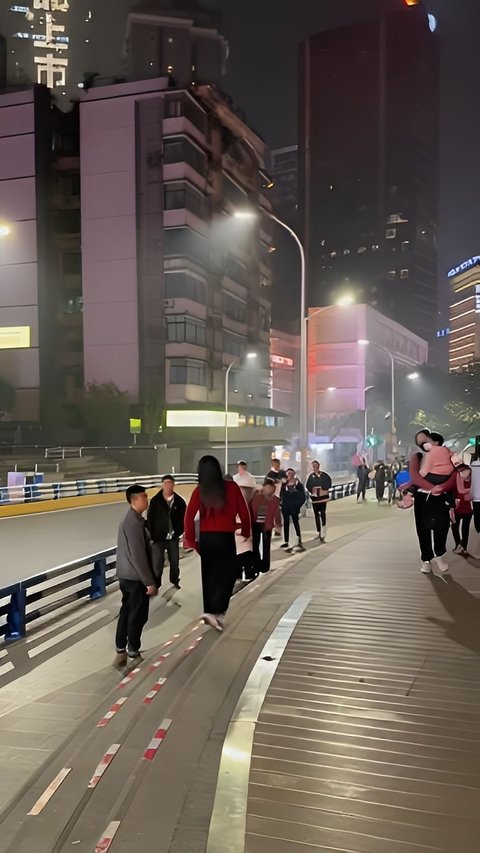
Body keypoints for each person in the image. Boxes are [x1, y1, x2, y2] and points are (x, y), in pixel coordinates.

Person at [184, 455, 251, 631]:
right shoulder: (231, 487)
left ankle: (209, 611)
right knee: (228, 574)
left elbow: (188, 517)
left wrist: (191, 540)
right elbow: (244, 512)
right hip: (225, 537)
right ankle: (219, 611)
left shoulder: (200, 491)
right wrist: (245, 531)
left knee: (209, 575)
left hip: (206, 539)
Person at [114, 484, 158, 669]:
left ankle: (121, 648)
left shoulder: (135, 520)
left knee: (127, 611)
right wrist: (149, 582)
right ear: (135, 499)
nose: (147, 499)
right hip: (134, 577)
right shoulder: (133, 523)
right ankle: (132, 649)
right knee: (136, 614)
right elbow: (138, 556)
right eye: (144, 496)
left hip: (128, 575)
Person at [409, 429, 458, 575]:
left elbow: (454, 476)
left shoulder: (446, 456)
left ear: (436, 443)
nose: (424, 442)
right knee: (423, 529)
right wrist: (426, 488)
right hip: (422, 497)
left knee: (442, 527)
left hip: (440, 497)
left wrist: (446, 492)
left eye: (427, 439)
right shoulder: (417, 457)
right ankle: (426, 560)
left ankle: (439, 554)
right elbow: (414, 477)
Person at [147, 475, 186, 590]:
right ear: (162, 485)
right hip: (158, 538)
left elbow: (184, 518)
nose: (167, 485)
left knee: (174, 562)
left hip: (173, 538)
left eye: (169, 483)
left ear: (173, 484)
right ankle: (156, 583)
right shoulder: (155, 501)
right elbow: (150, 519)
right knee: (157, 564)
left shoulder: (179, 501)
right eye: (165, 483)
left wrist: (179, 532)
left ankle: (175, 580)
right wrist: (152, 536)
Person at [250, 478, 282, 572]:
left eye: (270, 488)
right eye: (266, 487)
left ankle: (265, 566)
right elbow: (252, 509)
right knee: (255, 545)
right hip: (256, 524)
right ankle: (256, 563)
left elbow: (277, 512)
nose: (268, 489)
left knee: (266, 546)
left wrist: (278, 525)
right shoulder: (257, 497)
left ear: (273, 488)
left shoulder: (275, 500)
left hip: (267, 525)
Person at [280, 468, 306, 553]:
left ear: (294, 474)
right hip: (285, 507)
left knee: (295, 523)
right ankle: (286, 541)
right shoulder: (284, 485)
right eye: (288, 473)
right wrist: (280, 504)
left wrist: (297, 505)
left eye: (291, 473)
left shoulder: (298, 484)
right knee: (286, 523)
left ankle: (299, 540)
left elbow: (303, 496)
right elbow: (280, 494)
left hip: (294, 507)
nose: (289, 475)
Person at [305, 460, 332, 541]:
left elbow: (329, 483)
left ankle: (323, 530)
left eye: (316, 466)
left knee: (323, 513)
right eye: (313, 466)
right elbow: (308, 485)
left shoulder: (324, 475)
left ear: (318, 466)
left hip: (323, 497)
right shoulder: (311, 476)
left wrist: (322, 488)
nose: (315, 467)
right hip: (315, 498)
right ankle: (318, 532)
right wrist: (312, 490)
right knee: (316, 514)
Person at [452, 465, 473, 557]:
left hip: (469, 506)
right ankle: (458, 543)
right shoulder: (458, 476)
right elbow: (460, 490)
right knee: (455, 525)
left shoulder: (474, 478)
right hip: (458, 505)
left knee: (465, 528)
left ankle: (463, 547)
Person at [265, 458, 287, 536]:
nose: (277, 466)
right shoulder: (270, 475)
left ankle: (280, 528)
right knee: (275, 512)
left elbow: (286, 480)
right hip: (273, 496)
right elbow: (266, 485)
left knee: (280, 512)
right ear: (272, 465)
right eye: (275, 464)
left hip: (282, 495)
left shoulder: (282, 473)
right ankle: (276, 528)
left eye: (278, 464)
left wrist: (284, 481)